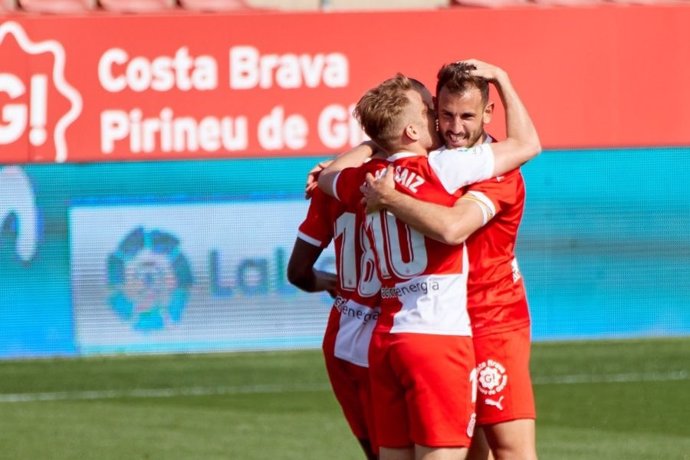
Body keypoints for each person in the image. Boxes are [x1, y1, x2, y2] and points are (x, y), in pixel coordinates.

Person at [318, 59, 540, 460]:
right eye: (445, 115)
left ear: (489, 113)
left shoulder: (496, 170)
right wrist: (381, 148)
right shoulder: (442, 164)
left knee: (509, 451)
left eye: (467, 116)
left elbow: (454, 227)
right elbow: (527, 144)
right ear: (430, 117)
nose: (454, 127)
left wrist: (376, 167)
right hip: (438, 328)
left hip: (489, 318)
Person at [287, 159, 384, 460]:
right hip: (396, 332)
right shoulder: (419, 177)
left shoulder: (334, 182)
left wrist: (337, 283)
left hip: (344, 333)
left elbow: (299, 273)